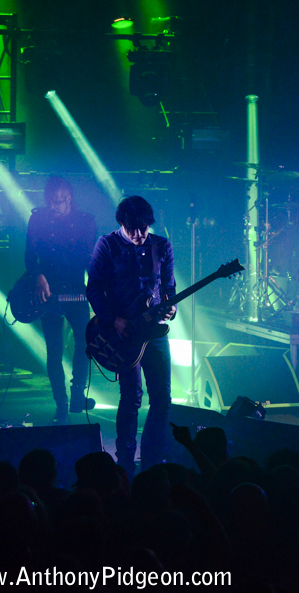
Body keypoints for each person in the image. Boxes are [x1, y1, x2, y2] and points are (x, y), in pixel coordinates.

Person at [86, 196, 176, 479]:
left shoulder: (161, 246)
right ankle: (125, 461)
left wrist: (170, 307)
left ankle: (151, 460)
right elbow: (94, 289)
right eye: (132, 229)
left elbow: (168, 289)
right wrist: (113, 320)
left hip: (155, 331)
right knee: (132, 397)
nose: (139, 235)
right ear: (121, 223)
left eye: (144, 229)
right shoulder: (107, 244)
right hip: (123, 334)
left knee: (162, 397)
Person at [24, 176, 98, 423]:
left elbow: (91, 260)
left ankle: (77, 394)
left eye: (61, 201)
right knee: (54, 351)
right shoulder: (38, 219)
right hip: (49, 293)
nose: (57, 206)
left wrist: (98, 287)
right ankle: (61, 403)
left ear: (70, 198)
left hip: (76, 290)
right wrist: (38, 276)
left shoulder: (86, 222)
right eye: (53, 201)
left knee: (85, 344)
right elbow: (29, 255)